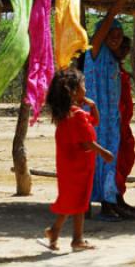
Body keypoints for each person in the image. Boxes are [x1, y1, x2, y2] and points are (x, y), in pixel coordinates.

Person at [43, 68, 113, 251]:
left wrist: (93, 106)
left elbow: (94, 122)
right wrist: (104, 152)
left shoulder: (68, 114)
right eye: (83, 86)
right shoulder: (77, 115)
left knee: (72, 199)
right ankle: (77, 239)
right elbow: (87, 141)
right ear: (73, 91)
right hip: (78, 165)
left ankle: (55, 231)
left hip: (68, 164)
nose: (86, 90)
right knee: (79, 201)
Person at [80, 0, 127, 222]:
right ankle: (98, 205)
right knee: (96, 159)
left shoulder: (114, 60)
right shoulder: (95, 53)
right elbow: (103, 30)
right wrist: (114, 11)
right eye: (111, 33)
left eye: (119, 33)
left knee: (110, 159)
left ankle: (109, 202)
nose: (115, 37)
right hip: (95, 121)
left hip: (110, 122)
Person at [115, 36, 135, 214]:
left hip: (124, 123)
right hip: (114, 123)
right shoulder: (108, 67)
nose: (124, 50)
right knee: (116, 161)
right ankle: (115, 199)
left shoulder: (120, 69)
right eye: (121, 46)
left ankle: (119, 196)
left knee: (127, 156)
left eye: (127, 47)